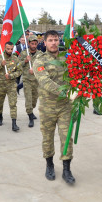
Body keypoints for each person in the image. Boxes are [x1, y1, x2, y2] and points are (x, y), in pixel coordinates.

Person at [33, 30, 75, 184]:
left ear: (59, 41)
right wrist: (66, 92)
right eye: (50, 40)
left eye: (56, 40)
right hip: (47, 108)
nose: (53, 43)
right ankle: (49, 165)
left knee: (66, 137)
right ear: (44, 43)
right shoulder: (40, 60)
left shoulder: (67, 58)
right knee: (47, 138)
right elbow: (45, 82)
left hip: (65, 107)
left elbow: (75, 74)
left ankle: (66, 169)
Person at [0, 41, 22, 131]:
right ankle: (0, 117)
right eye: (8, 49)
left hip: (11, 85)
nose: (10, 50)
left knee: (13, 103)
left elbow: (20, 71)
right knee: (0, 102)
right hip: (0, 85)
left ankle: (14, 123)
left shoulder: (15, 59)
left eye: (11, 49)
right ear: (5, 48)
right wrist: (0, 65)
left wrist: (11, 76)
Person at [18, 35, 41, 127]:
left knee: (34, 100)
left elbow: (44, 66)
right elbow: (18, 65)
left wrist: (35, 69)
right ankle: (30, 117)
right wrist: (25, 61)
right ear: (29, 44)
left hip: (36, 81)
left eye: (35, 44)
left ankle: (31, 110)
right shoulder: (24, 53)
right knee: (28, 99)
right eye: (32, 44)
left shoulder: (40, 54)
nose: (34, 45)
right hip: (27, 80)